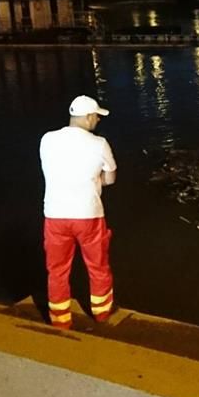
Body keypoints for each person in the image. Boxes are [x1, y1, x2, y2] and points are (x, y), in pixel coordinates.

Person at [39, 95, 117, 329]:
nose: (97, 122)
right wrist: (96, 181)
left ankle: (60, 319)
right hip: (89, 215)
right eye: (96, 117)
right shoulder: (99, 143)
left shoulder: (47, 139)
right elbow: (110, 178)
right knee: (97, 265)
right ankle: (102, 312)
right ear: (89, 117)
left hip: (55, 214)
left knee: (57, 269)